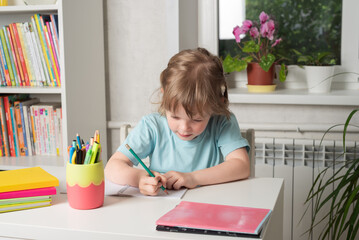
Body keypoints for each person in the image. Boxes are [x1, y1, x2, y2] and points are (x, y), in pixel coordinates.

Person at [105, 48, 250, 196]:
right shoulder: (152, 126)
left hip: (209, 206)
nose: (184, 128)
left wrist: (192, 178)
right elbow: (112, 167)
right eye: (175, 117)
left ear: (216, 105)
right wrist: (139, 178)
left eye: (197, 119)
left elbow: (241, 165)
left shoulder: (222, 122)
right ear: (164, 96)